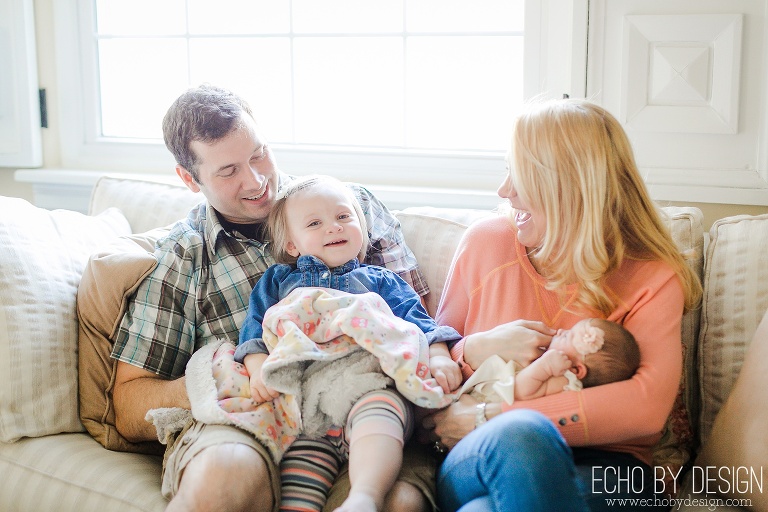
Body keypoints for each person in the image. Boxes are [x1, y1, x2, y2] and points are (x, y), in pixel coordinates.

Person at [109, 84, 439, 512]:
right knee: (224, 474)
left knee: (398, 501)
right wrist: (223, 378)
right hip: (251, 421)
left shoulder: (350, 207)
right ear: (189, 179)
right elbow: (127, 403)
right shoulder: (185, 256)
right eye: (228, 171)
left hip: (369, 401)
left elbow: (418, 325)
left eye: (259, 154)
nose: (257, 180)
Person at [421, 98, 702, 512]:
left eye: (520, 175)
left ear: (569, 184)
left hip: (610, 465)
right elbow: (433, 355)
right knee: (519, 436)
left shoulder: (652, 274)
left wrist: (495, 413)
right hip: (480, 451)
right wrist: (481, 348)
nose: (504, 191)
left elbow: (644, 409)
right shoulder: (485, 243)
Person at [234, 175, 462, 512]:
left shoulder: (380, 280)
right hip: (309, 404)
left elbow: (419, 324)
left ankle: (364, 497)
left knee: (381, 417)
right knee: (299, 467)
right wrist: (257, 369)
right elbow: (255, 329)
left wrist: (440, 357)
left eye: (344, 217)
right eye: (315, 223)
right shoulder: (278, 281)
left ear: (362, 228)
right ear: (292, 245)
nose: (333, 228)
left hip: (369, 385)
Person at [513, 318, 639, 400]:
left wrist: (544, 367)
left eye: (567, 336)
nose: (561, 331)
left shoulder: (563, 381)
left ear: (576, 370)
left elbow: (519, 391)